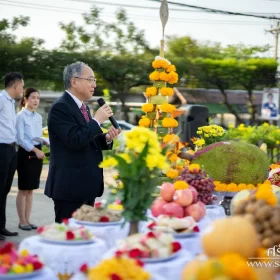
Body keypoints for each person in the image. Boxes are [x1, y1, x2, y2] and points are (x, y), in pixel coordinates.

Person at [45, 61, 121, 223]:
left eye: (94, 80)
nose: (94, 84)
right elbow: (73, 140)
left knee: (85, 234)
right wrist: (97, 120)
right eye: (90, 79)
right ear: (74, 81)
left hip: (86, 185)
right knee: (68, 237)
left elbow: (87, 139)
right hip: (70, 187)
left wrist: (106, 138)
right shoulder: (61, 107)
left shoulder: (84, 108)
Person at [16, 88, 45, 231]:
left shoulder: (39, 117)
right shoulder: (20, 116)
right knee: (23, 189)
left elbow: (36, 136)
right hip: (26, 153)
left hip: (37, 152)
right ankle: (22, 221)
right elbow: (20, 139)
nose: (36, 101)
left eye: (38, 98)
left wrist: (44, 142)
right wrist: (35, 150)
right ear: (25, 99)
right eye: (33, 97)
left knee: (31, 189)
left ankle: (28, 220)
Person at [0, 72, 24, 240]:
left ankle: (1, 226)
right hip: (1, 149)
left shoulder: (11, 102)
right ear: (15, 86)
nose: (22, 90)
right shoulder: (1, 99)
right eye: (22, 86)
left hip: (11, 150)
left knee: (5, 190)